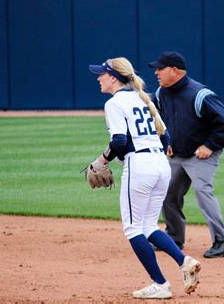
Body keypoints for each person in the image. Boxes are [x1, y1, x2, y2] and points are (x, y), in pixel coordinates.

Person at [88, 57, 201, 299]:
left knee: (132, 229)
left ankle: (160, 284)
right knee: (149, 225)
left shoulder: (115, 103)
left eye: (101, 74)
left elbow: (118, 141)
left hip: (139, 167)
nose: (98, 78)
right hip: (161, 165)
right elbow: (165, 138)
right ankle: (184, 261)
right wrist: (124, 155)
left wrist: (101, 161)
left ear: (113, 77)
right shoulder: (143, 97)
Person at [148, 51, 224, 258]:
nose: (156, 72)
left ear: (175, 70)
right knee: (168, 193)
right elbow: (159, 120)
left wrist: (210, 145)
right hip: (177, 153)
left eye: (161, 68)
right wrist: (165, 142)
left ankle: (221, 242)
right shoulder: (161, 93)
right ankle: (175, 238)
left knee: (203, 192)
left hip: (201, 154)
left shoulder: (200, 94)